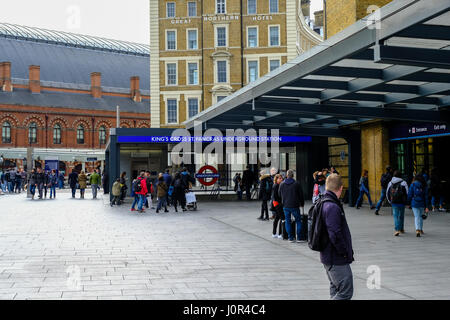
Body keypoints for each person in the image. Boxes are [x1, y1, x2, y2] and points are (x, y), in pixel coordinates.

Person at [320, 174, 354, 300]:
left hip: (329, 256)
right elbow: (335, 233)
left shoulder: (324, 202)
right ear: (340, 188)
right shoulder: (332, 207)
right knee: (345, 292)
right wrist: (344, 251)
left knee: (335, 289)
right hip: (336, 258)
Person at [278, 169, 305, 243]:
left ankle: (290, 238)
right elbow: (301, 195)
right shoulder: (296, 184)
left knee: (288, 221)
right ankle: (299, 237)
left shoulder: (282, 184)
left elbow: (279, 194)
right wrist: (302, 203)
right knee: (298, 221)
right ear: (293, 175)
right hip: (295, 205)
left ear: (287, 175)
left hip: (286, 205)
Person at [386, 170, 409, 236]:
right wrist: (407, 201)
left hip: (394, 202)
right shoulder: (404, 182)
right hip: (402, 202)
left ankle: (397, 230)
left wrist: (389, 201)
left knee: (395, 216)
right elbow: (407, 192)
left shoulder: (390, 183)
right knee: (401, 216)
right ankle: (401, 229)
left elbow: (387, 193)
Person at [271, 174, 284, 239]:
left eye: (282, 178)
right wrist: (281, 202)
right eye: (280, 178)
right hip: (277, 203)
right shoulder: (276, 185)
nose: (282, 179)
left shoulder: (278, 185)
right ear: (276, 179)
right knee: (282, 217)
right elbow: (276, 196)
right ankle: (280, 234)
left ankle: (274, 233)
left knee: (277, 218)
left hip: (276, 203)